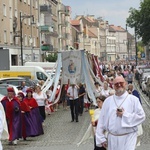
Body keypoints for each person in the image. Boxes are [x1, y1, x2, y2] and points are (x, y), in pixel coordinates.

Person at [96, 76, 145, 150]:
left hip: (129, 137)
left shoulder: (134, 100)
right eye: (116, 84)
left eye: (121, 83)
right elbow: (101, 120)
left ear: (125, 84)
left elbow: (142, 116)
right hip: (112, 138)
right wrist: (100, 138)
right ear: (113, 86)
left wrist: (124, 115)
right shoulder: (107, 101)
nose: (119, 85)